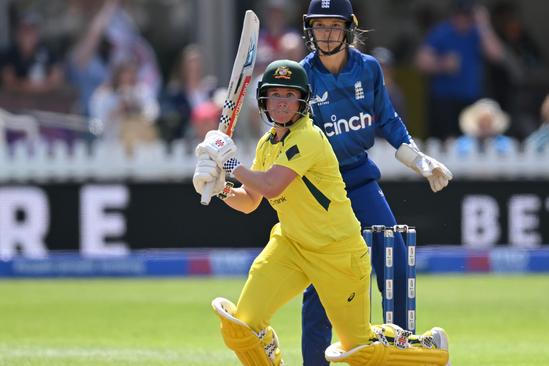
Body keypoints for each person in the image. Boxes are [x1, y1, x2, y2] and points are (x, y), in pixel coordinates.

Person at [192, 59, 451, 366]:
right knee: (243, 325)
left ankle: (430, 349)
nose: (282, 103)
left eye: (290, 96)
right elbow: (250, 200)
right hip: (291, 246)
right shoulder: (266, 145)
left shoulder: (309, 137)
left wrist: (231, 164)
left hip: (337, 253)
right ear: (264, 100)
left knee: (358, 349)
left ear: (303, 100)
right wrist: (222, 187)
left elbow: (272, 186)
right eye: (275, 95)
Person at [299, 1, 453, 365]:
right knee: (322, 281)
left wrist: (421, 160)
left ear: (349, 28)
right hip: (319, 188)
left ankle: (399, 353)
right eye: (319, 26)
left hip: (359, 178)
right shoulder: (302, 75)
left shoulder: (368, 69)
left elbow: (388, 120)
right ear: (310, 30)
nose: (326, 34)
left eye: (334, 26)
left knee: (396, 262)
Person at [416, 0, 504, 140]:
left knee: (470, 142)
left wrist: (484, 24)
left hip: (471, 100)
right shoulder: (441, 32)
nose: (462, 19)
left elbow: (497, 55)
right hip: (444, 100)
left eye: (467, 15)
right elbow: (421, 62)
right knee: (445, 142)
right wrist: (442, 64)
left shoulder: (477, 32)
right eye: (459, 15)